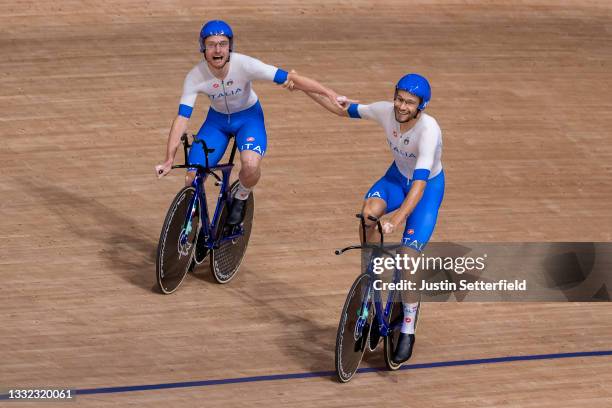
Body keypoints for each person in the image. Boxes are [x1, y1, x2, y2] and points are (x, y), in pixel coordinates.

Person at [300, 74, 444, 365]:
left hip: (424, 189)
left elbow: (418, 186)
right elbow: (344, 108)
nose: (402, 106)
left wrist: (399, 219)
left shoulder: (429, 130)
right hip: (395, 179)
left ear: (421, 106)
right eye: (399, 98)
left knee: (407, 256)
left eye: (410, 102)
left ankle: (408, 325)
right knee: (368, 214)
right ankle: (372, 277)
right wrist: (304, 90)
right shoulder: (384, 111)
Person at [155, 20, 343, 225]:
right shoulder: (195, 76)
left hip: (248, 119)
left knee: (251, 165)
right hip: (217, 122)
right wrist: (168, 159)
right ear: (203, 48)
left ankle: (242, 196)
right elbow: (182, 117)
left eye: (223, 44)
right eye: (211, 44)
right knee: (192, 178)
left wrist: (328, 92)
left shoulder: (245, 64)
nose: (218, 50)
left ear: (230, 46)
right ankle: (196, 223)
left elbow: (291, 78)